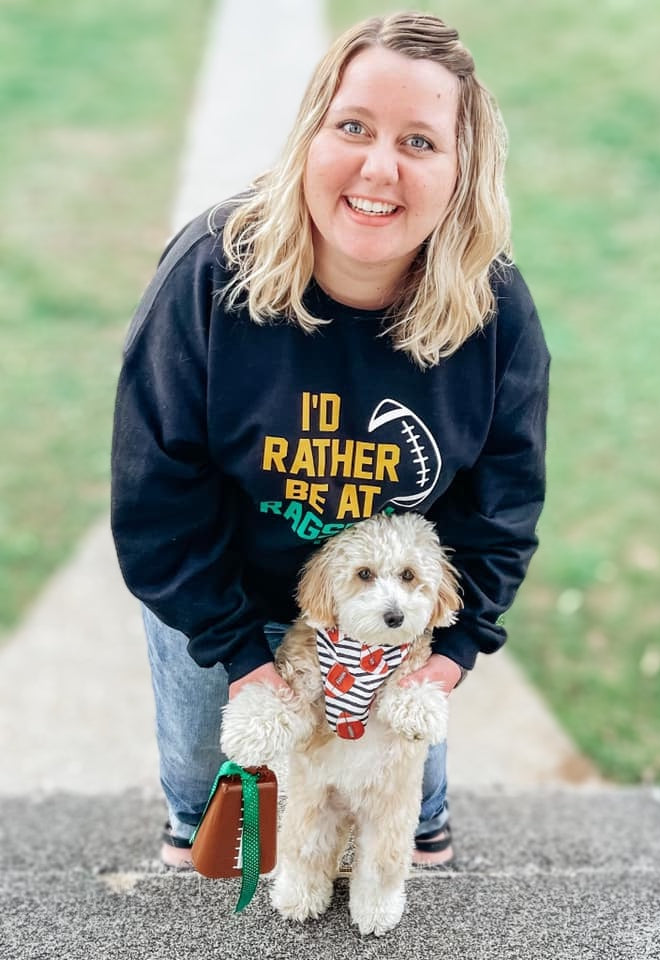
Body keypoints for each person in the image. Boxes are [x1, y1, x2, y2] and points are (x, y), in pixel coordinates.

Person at [111, 12, 549, 870]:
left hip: (387, 614)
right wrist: (241, 655)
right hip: (220, 587)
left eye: (420, 141)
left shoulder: (493, 312)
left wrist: (448, 657)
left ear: (462, 172)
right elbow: (157, 497)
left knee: (404, 824)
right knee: (221, 834)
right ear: (311, 132)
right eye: (353, 126)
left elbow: (503, 504)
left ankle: (416, 831)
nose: (378, 167)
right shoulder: (208, 276)